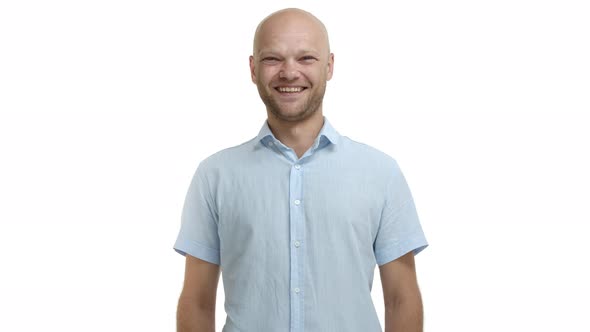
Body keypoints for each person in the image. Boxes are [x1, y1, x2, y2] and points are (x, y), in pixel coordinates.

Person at [174, 7, 428, 332]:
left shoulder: (381, 173)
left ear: (330, 66)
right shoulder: (215, 176)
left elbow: (401, 298)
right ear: (253, 69)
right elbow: (196, 300)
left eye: (306, 58)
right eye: (272, 59)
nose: (289, 72)